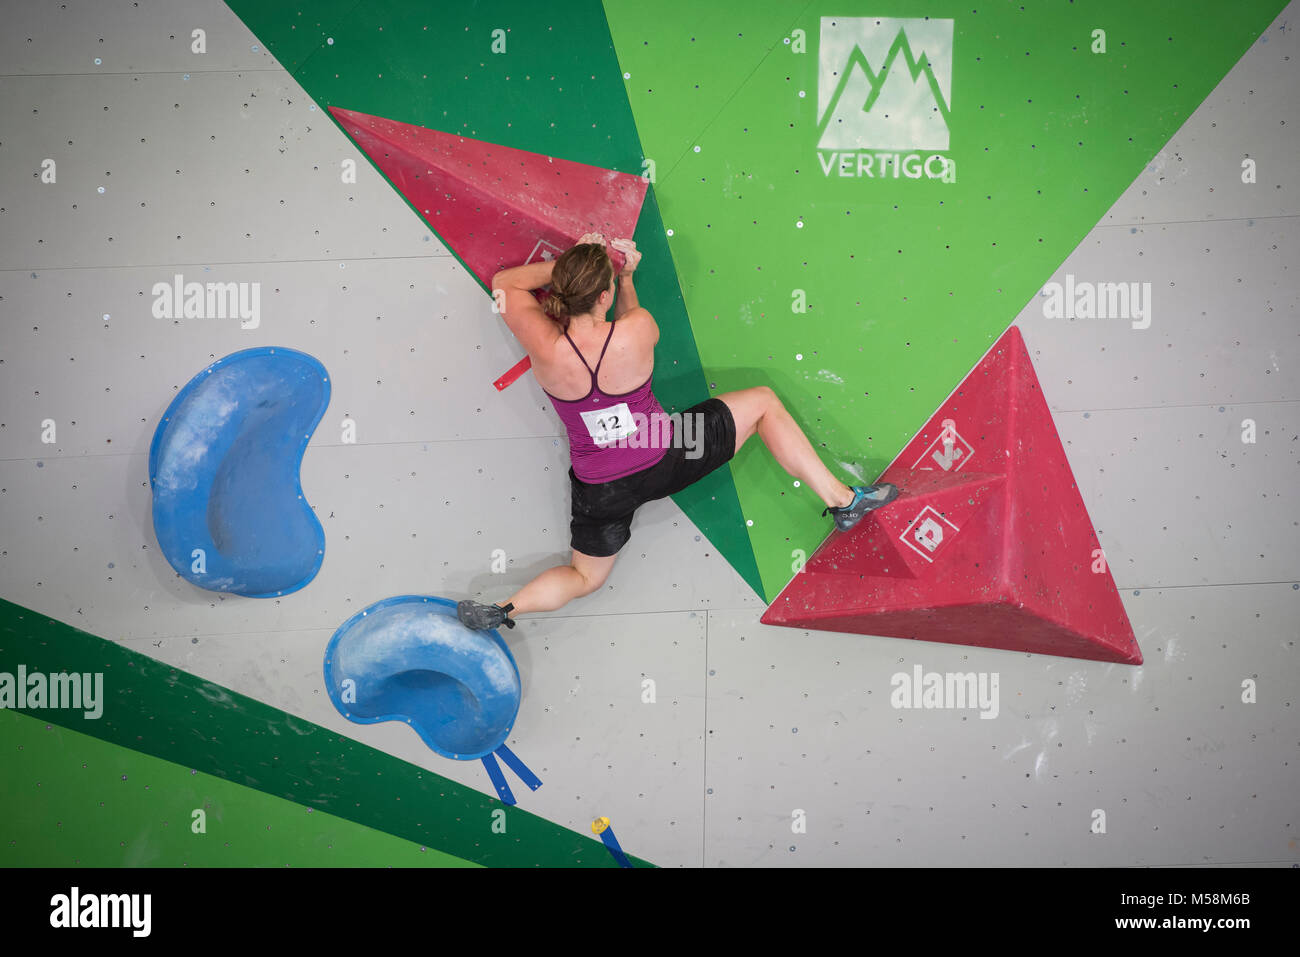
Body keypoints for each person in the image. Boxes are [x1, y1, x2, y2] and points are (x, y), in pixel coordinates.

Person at [457, 234, 898, 631]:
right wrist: (625, 275)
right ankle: (842, 501)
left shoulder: (544, 345)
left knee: (584, 576)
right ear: (605, 294)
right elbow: (633, 318)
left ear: (563, 290)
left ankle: (503, 609)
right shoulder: (637, 330)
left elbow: (507, 282)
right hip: (665, 453)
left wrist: (573, 263)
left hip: (602, 489)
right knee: (762, 401)